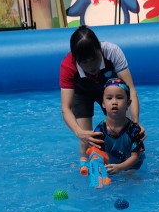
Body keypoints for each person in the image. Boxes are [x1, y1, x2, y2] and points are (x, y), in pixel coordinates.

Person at [60, 26, 142, 154]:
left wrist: (135, 123)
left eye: (94, 59)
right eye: (85, 62)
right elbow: (66, 108)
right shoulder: (68, 66)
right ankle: (85, 164)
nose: (91, 66)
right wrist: (79, 132)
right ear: (76, 59)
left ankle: (127, 164)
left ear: (100, 48)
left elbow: (130, 89)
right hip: (82, 93)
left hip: (110, 89)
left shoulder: (112, 52)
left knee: (124, 132)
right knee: (87, 141)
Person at [93, 79, 145, 173]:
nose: (114, 102)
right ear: (103, 104)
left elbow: (135, 156)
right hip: (112, 163)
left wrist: (120, 167)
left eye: (119, 98)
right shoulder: (99, 130)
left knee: (130, 176)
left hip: (133, 164)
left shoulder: (133, 130)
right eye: (109, 98)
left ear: (128, 103)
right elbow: (97, 153)